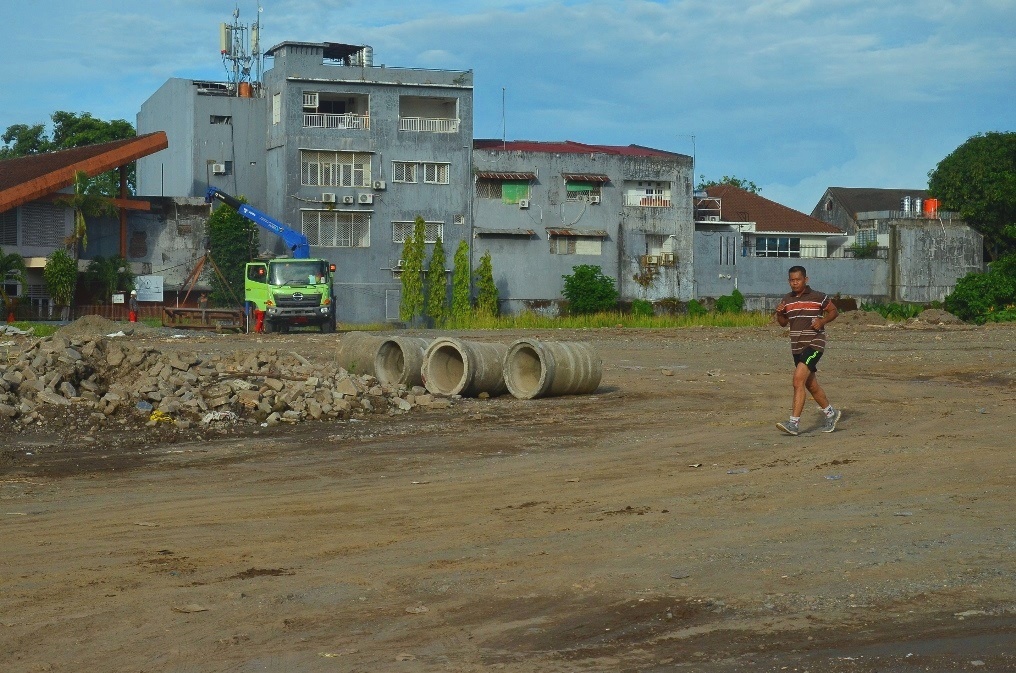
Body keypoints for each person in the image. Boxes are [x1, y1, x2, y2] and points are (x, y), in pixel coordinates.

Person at [774, 265, 840, 436]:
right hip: (796, 347)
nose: (794, 283)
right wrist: (779, 313)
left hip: (814, 344)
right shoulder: (787, 300)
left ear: (806, 280)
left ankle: (793, 423)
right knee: (810, 384)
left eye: (798, 280)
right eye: (792, 280)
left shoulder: (818, 297)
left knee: (797, 381)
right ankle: (831, 414)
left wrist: (822, 322)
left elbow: (834, 311)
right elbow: (783, 323)